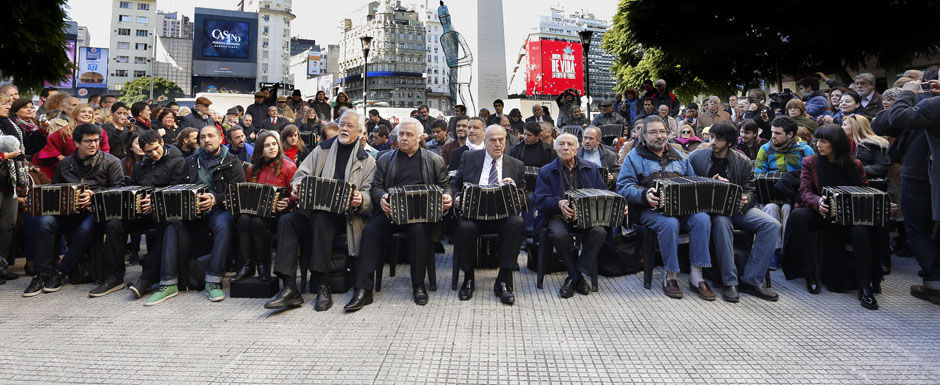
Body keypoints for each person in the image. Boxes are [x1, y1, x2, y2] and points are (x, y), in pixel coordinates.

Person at [264, 110, 375, 311]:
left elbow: (370, 195)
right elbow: (301, 175)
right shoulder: (322, 149)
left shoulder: (367, 160)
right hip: (312, 209)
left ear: (360, 132)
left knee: (322, 217)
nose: (344, 128)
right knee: (287, 221)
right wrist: (297, 186)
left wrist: (361, 199)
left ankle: (323, 284)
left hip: (345, 217)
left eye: (350, 126)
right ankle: (289, 288)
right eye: (342, 124)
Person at [345, 118, 452, 311]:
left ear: (420, 137)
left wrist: (447, 197)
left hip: (421, 215)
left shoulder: (434, 159)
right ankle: (363, 289)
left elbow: (446, 185)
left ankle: (418, 284)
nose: (403, 138)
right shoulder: (385, 158)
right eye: (401, 134)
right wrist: (382, 198)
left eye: (409, 135)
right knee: (370, 232)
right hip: (391, 212)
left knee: (419, 231)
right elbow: (376, 186)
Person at [784, 125, 888, 309]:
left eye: (824, 141)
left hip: (849, 217)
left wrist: (881, 202)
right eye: (818, 141)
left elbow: (865, 190)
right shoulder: (811, 162)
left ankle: (865, 286)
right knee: (799, 215)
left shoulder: (855, 165)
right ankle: (811, 272)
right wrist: (818, 203)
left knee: (861, 231)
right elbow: (805, 190)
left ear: (836, 144)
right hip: (821, 213)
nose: (819, 145)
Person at [145, 126, 246, 305]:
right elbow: (181, 187)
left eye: (211, 136)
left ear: (220, 138)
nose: (207, 140)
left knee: (224, 224)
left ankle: (213, 280)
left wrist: (215, 199)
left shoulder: (232, 161)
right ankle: (168, 283)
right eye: (203, 137)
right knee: (172, 223)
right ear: (198, 141)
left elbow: (238, 192)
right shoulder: (190, 161)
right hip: (192, 210)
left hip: (218, 209)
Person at [23, 124, 126, 297]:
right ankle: (41, 274)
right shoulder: (65, 163)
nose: (93, 144)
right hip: (68, 212)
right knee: (45, 222)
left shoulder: (111, 161)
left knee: (86, 229)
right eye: (88, 141)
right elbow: (55, 189)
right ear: (77, 143)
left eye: (96, 140)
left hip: (96, 212)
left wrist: (95, 195)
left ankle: (61, 271)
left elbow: (119, 190)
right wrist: (35, 200)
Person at [617, 115, 713, 300]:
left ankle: (697, 276)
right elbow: (624, 187)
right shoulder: (634, 157)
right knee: (669, 224)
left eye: (662, 131)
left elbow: (692, 180)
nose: (659, 136)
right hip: (648, 210)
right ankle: (670, 276)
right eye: (653, 132)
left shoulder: (680, 155)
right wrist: (644, 195)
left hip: (682, 209)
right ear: (643, 135)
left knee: (702, 219)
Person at [688, 121, 780, 302]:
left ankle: (752, 279)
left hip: (737, 209)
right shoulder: (697, 157)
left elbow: (750, 190)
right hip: (709, 211)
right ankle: (729, 282)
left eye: (719, 139)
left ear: (729, 143)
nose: (713, 142)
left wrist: (744, 200)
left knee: (772, 225)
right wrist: (711, 184)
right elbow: (686, 182)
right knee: (722, 223)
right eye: (711, 137)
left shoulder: (742, 161)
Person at [536, 133, 620, 298]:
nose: (565, 147)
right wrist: (558, 203)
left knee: (599, 232)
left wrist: (618, 204)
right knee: (558, 235)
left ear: (576, 149)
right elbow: (540, 201)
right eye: (561, 144)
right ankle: (577, 276)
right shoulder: (546, 171)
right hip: (558, 216)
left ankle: (574, 276)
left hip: (587, 217)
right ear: (556, 148)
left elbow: (603, 193)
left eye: (569, 144)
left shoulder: (590, 167)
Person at [451, 125, 526, 304]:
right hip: (474, 214)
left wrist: (514, 191)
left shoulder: (516, 165)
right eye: (492, 140)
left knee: (517, 222)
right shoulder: (469, 158)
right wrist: (456, 198)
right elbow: (455, 184)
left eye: (501, 140)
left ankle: (503, 279)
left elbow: (526, 197)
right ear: (484, 142)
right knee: (465, 226)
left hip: (502, 216)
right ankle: (468, 277)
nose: (498, 144)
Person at [124, 130, 186, 299]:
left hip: (166, 210)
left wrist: (156, 200)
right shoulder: (140, 166)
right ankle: (113, 274)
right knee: (115, 223)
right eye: (148, 151)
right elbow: (135, 188)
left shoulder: (177, 161)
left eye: (156, 149)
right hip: (143, 210)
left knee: (165, 224)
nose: (154, 154)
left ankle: (146, 278)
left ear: (162, 142)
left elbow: (177, 189)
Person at [232, 131, 296, 282]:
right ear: (260, 149)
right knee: (243, 219)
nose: (272, 148)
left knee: (257, 222)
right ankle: (248, 264)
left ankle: (263, 266)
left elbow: (295, 193)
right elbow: (248, 195)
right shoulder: (252, 169)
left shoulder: (289, 167)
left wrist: (288, 201)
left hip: (280, 214)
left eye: (274, 144)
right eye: (267, 145)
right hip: (257, 213)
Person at [754, 116, 815, 268]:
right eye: (772, 132)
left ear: (790, 134)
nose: (772, 136)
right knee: (771, 208)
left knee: (788, 209)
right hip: (770, 198)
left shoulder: (805, 150)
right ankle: (774, 251)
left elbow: (813, 177)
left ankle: (789, 250)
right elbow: (758, 174)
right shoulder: (765, 149)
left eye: (777, 133)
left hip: (795, 198)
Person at [35, 103, 111, 179]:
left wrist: (102, 162)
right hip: (71, 171)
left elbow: (105, 148)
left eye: (90, 112)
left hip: (95, 169)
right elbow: (48, 143)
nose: (87, 114)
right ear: (75, 114)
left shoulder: (100, 131)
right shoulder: (64, 132)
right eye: (83, 112)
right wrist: (60, 157)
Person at [0, 94, 24, 284]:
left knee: (8, 225)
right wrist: (5, 156)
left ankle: (2, 266)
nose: (8, 106)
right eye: (3, 103)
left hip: (10, 181)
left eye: (8, 103)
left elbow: (24, 149)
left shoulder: (11, 124)